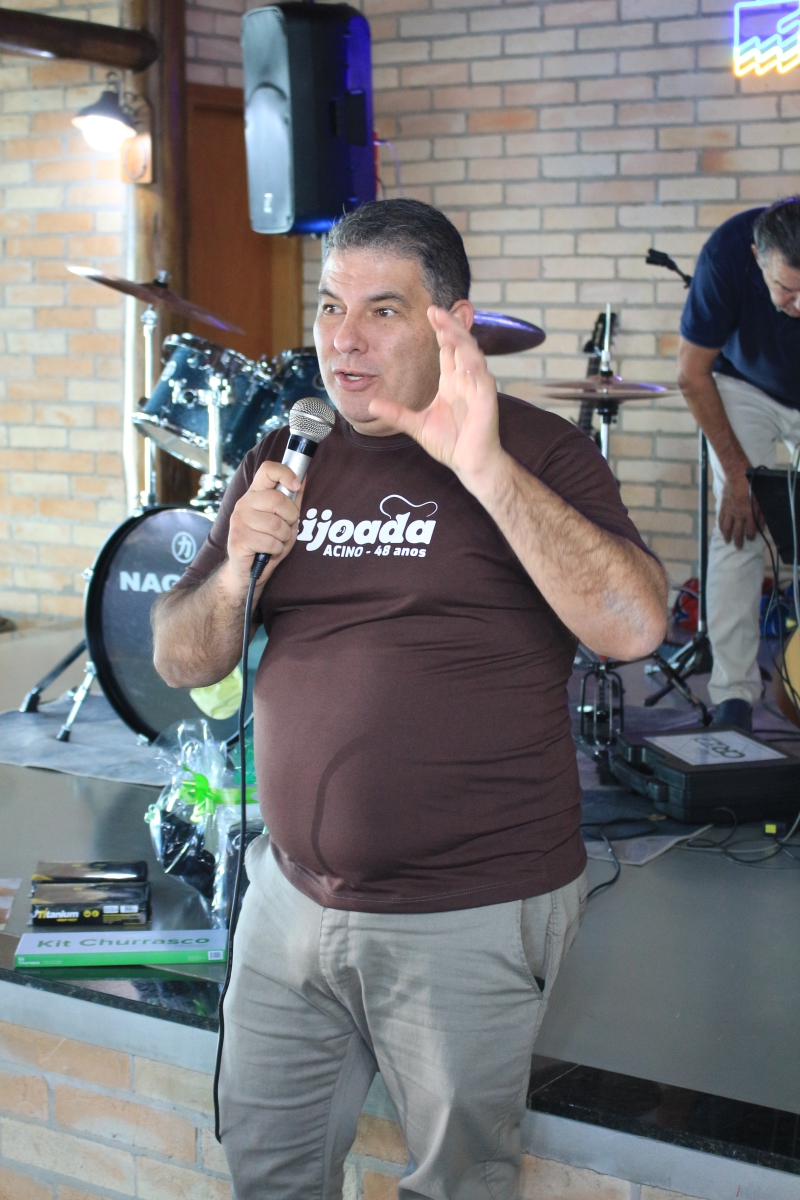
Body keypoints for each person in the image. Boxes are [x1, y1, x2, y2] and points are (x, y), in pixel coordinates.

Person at [153, 199, 666, 1200]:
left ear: (451, 324)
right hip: (288, 900)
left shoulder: (537, 453)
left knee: (455, 1183)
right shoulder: (284, 455)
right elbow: (180, 658)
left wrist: (483, 468)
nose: (342, 339)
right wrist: (235, 571)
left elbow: (634, 626)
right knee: (267, 1170)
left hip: (467, 911)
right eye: (329, 307)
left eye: (380, 310)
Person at [678, 197, 800, 730]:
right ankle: (733, 696)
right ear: (758, 257)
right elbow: (691, 372)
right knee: (739, 530)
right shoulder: (725, 255)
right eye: (787, 289)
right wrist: (737, 475)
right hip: (743, 385)